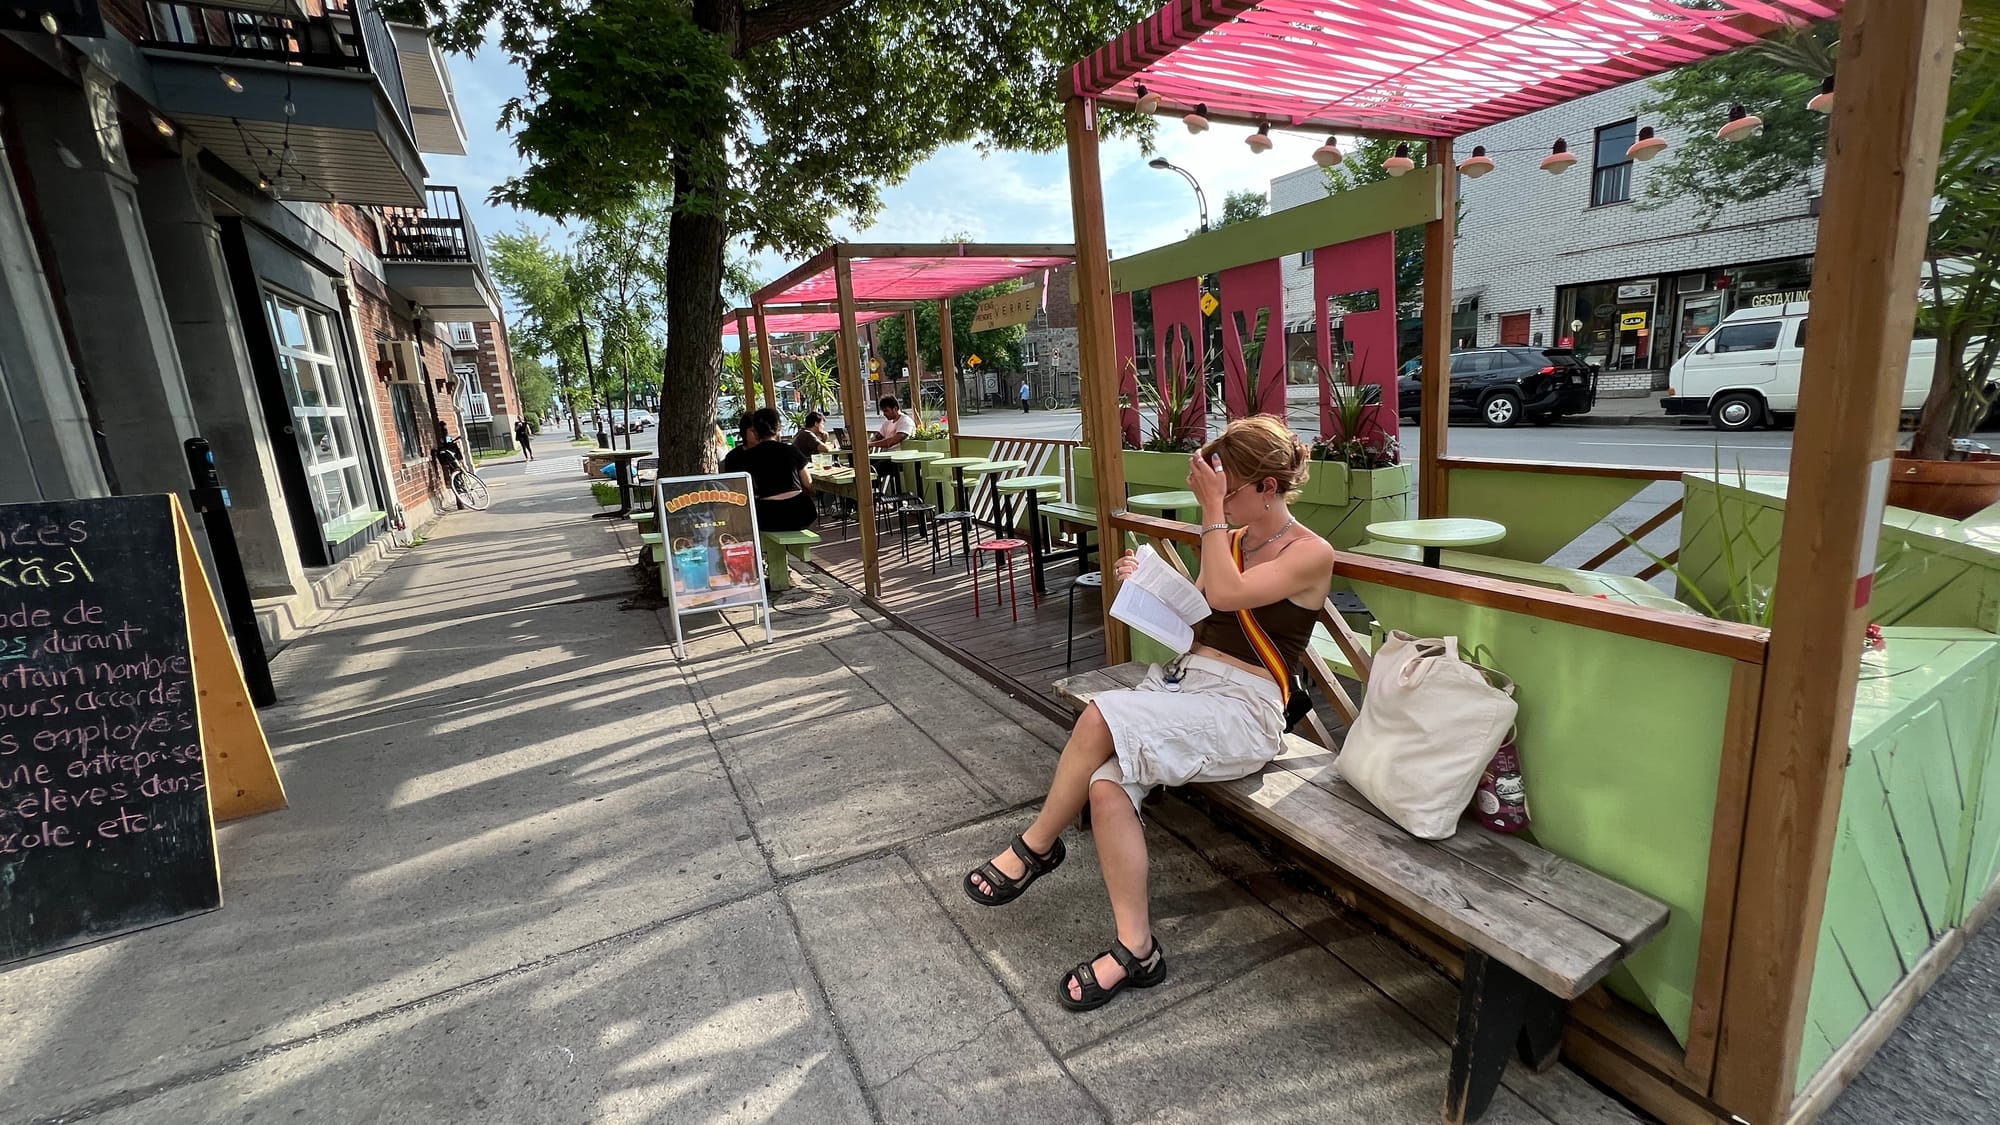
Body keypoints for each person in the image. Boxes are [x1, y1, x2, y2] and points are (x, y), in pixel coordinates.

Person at [961, 416, 1335, 1012]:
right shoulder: (1235, 541)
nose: (1218, 500)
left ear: (1268, 487)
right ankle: (1138, 950)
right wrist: (1153, 585)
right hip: (1186, 690)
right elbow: (1204, 612)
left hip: (1244, 711)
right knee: (1107, 789)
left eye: (1228, 489)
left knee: (1098, 718)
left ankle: (1036, 847)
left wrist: (1211, 513)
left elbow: (1226, 595)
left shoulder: (1311, 552)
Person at [732, 408, 816, 533]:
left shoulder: (747, 456)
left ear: (755, 432)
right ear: (779, 428)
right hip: (800, 512)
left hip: (768, 516)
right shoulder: (792, 450)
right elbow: (808, 482)